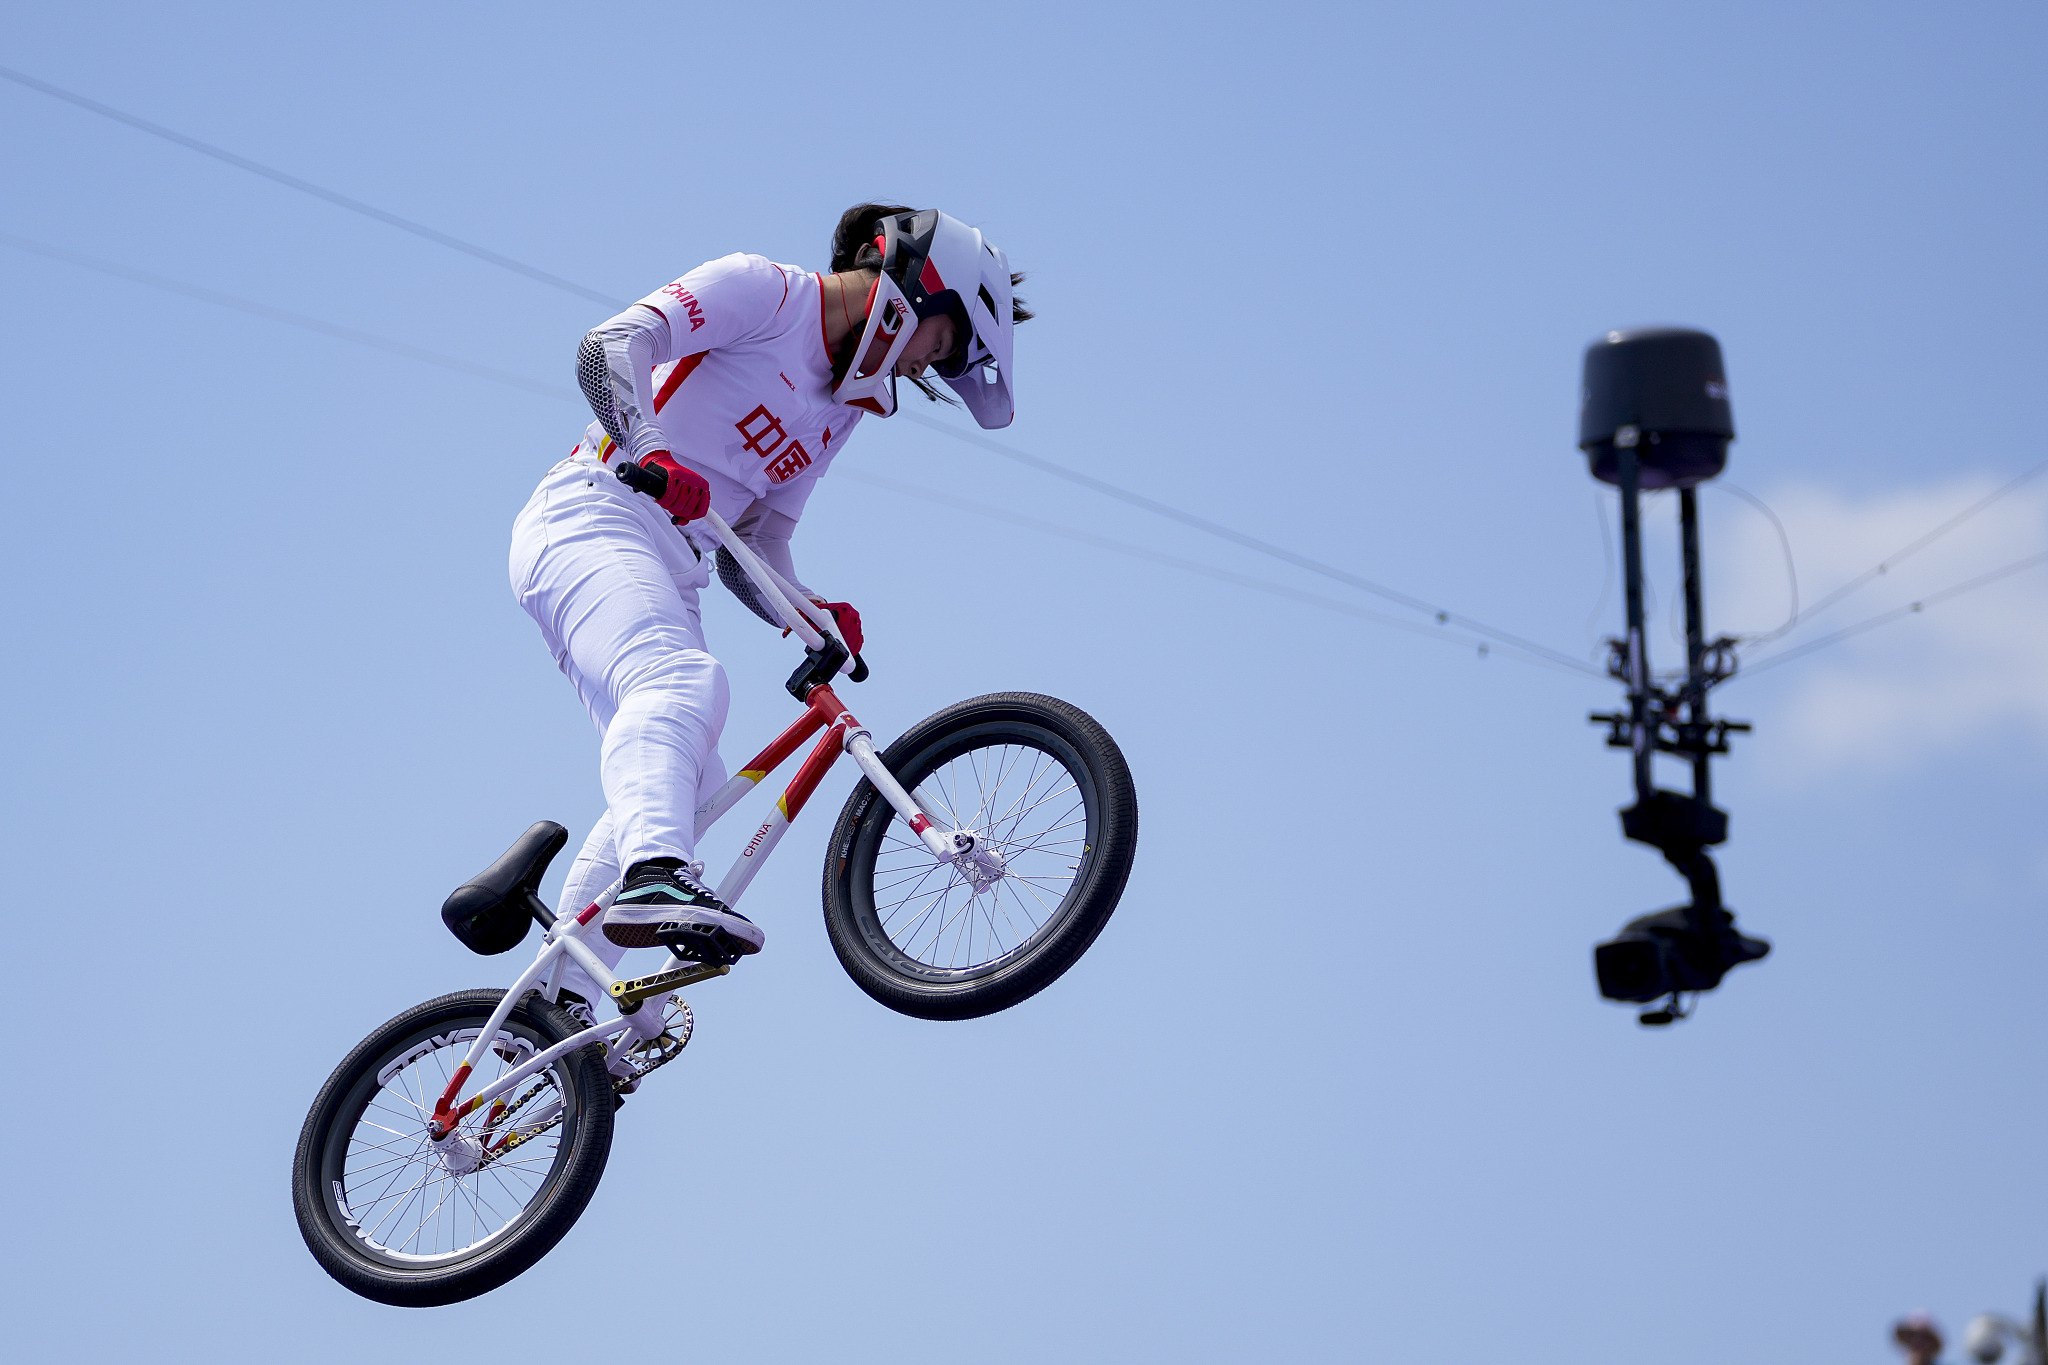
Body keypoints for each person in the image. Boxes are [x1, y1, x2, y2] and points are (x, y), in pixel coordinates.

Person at [509, 203, 1029, 1005]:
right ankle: (657, 878)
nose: (926, 363)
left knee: (691, 778)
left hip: (676, 560)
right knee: (683, 685)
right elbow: (609, 347)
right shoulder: (766, 293)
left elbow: (755, 547)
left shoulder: (843, 410)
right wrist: (650, 446)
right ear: (915, 282)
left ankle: (557, 1004)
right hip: (595, 508)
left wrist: (808, 608)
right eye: (943, 341)